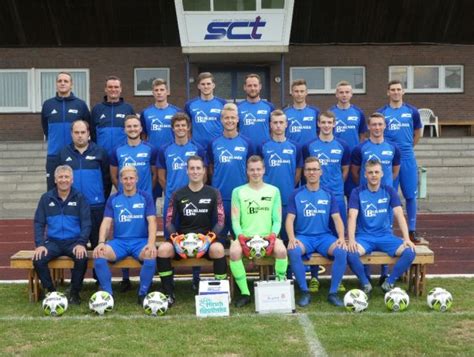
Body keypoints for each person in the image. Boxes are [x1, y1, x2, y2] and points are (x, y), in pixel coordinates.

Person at [156, 156, 227, 305]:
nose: (195, 172)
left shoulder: (214, 193)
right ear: (187, 171)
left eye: (198, 168)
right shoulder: (178, 194)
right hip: (182, 240)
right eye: (192, 168)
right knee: (163, 250)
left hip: (206, 240)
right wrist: (176, 239)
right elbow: (168, 220)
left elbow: (221, 220)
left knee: (219, 249)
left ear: (204, 171)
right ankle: (168, 293)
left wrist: (207, 240)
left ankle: (220, 293)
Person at [346, 160, 416, 294]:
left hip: (385, 237)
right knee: (350, 253)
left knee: (410, 251)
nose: (373, 175)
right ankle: (365, 283)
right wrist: (352, 239)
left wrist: (407, 238)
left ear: (382, 174)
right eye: (370, 172)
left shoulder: (389, 191)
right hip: (364, 237)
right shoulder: (357, 192)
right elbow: (352, 217)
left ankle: (389, 282)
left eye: (376, 172)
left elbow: (400, 215)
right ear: (365, 174)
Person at [286, 157, 347, 307]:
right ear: (304, 173)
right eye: (308, 169)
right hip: (304, 237)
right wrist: (292, 238)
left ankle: (333, 293)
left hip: (324, 238)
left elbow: (337, 218)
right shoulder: (296, 194)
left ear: (321, 172)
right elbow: (289, 220)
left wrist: (341, 237)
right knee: (293, 250)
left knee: (341, 250)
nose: (312, 172)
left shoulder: (328, 193)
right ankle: (304, 291)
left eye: (315, 169)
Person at [93, 166, 157, 305]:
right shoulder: (113, 199)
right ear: (121, 180)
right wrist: (101, 242)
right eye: (125, 178)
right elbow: (106, 222)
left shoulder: (145, 197)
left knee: (151, 254)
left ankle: (142, 294)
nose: (128, 181)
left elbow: (152, 222)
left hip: (140, 242)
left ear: (137, 179)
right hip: (119, 242)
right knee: (99, 254)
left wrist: (151, 243)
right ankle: (108, 295)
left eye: (131, 178)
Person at [230, 155, 288, 307]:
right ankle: (245, 293)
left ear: (264, 170)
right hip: (246, 237)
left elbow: (277, 220)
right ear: (247, 172)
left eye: (258, 169)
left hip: (268, 236)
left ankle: (280, 286)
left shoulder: (274, 191)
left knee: (282, 251)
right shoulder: (237, 192)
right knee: (234, 252)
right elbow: (235, 220)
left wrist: (273, 237)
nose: (255, 172)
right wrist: (240, 238)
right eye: (252, 170)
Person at [351, 113, 401, 283]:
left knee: (386, 231)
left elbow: (395, 171)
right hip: (367, 195)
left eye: (380, 124)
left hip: (385, 196)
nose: (377, 128)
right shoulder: (360, 148)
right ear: (369, 127)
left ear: (384, 126)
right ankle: (366, 274)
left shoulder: (393, 147)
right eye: (374, 125)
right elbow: (355, 172)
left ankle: (384, 273)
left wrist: (386, 186)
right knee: (365, 232)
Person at [109, 114, 157, 290]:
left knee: (142, 234)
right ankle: (125, 278)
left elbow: (154, 174)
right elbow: (114, 175)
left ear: (141, 128)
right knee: (123, 231)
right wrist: (123, 189)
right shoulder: (117, 150)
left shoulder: (150, 149)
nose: (132, 129)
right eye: (129, 126)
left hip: (144, 199)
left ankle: (145, 280)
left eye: (135, 126)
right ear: (124, 129)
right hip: (124, 198)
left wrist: (144, 192)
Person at [33, 165, 91, 304]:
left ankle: (74, 293)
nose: (63, 180)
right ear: (55, 180)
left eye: (66, 177)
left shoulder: (80, 198)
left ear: (72, 180)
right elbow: (39, 223)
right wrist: (40, 245)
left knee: (82, 257)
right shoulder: (46, 198)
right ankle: (52, 292)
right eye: (60, 177)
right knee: (38, 259)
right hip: (53, 242)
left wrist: (81, 243)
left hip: (74, 241)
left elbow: (86, 223)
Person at [377, 80, 423, 243]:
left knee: (410, 195)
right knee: (389, 195)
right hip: (388, 158)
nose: (396, 92)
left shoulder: (412, 111)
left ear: (403, 92)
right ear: (388, 92)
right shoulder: (382, 112)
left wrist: (408, 147)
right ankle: (387, 229)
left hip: (407, 157)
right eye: (392, 90)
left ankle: (411, 230)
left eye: (398, 89)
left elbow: (418, 132)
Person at [57, 120, 110, 256]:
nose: (80, 135)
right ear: (71, 134)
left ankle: (99, 277)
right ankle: (78, 277)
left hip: (96, 206)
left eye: (82, 132)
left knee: (99, 245)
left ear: (89, 134)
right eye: (76, 132)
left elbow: (107, 179)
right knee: (75, 246)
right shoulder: (63, 153)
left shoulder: (100, 152)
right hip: (72, 207)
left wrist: (99, 195)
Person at [208, 103, 254, 245]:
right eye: (226, 118)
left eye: (232, 118)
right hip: (220, 198)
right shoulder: (213, 143)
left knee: (242, 240)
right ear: (221, 120)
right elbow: (210, 168)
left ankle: (242, 268)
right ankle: (221, 268)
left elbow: (251, 169)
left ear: (238, 119)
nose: (229, 121)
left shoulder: (247, 142)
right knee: (218, 240)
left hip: (241, 198)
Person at [156, 112, 206, 238]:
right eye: (177, 125)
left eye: (183, 125)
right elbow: (161, 176)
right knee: (171, 236)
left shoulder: (197, 148)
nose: (180, 128)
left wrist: (196, 191)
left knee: (192, 236)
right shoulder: (165, 149)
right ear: (173, 128)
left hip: (192, 197)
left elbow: (203, 174)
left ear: (188, 127)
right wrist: (170, 192)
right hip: (172, 198)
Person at [41, 72, 90, 190]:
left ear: (71, 84)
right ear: (56, 84)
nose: (62, 83)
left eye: (66, 81)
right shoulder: (48, 105)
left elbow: (88, 128)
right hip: (54, 155)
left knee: (75, 188)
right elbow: (46, 128)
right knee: (52, 190)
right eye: (60, 81)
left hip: (74, 154)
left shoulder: (80, 105)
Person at [303, 111, 351, 226]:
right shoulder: (309, 146)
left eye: (329, 122)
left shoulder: (343, 145)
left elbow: (345, 169)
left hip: (337, 193)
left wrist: (336, 182)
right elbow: (306, 170)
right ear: (318, 124)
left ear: (334, 124)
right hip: (316, 193)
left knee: (339, 229)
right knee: (317, 227)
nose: (326, 125)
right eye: (323, 122)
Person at [329, 81, 367, 200]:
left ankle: (351, 219)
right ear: (336, 94)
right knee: (335, 196)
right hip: (335, 159)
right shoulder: (330, 113)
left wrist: (358, 153)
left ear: (351, 94)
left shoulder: (358, 112)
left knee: (353, 195)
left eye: (347, 92)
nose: (344, 95)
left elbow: (362, 135)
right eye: (341, 92)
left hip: (353, 161)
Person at [90, 75, 135, 158]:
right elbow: (92, 133)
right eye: (110, 87)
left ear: (120, 89)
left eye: (116, 87)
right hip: (102, 156)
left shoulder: (128, 109)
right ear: (105, 89)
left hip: (124, 155)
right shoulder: (97, 109)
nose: (113, 90)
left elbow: (134, 132)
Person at [185, 72, 226, 148]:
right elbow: (187, 125)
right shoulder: (190, 104)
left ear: (213, 85)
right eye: (203, 84)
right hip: (197, 147)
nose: (206, 86)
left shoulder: (222, 103)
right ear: (198, 86)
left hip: (218, 146)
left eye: (208, 84)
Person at [238, 73, 275, 147]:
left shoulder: (269, 106)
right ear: (245, 87)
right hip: (244, 148)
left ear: (260, 86)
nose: (252, 88)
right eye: (249, 86)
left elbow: (274, 129)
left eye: (255, 85)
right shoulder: (238, 107)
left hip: (265, 149)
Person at [284, 79, 320, 146]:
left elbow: (320, 131)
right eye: (296, 91)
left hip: (310, 151)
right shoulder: (285, 112)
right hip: (291, 150)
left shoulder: (315, 111)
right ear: (292, 93)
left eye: (302, 91)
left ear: (306, 92)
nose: (299, 94)